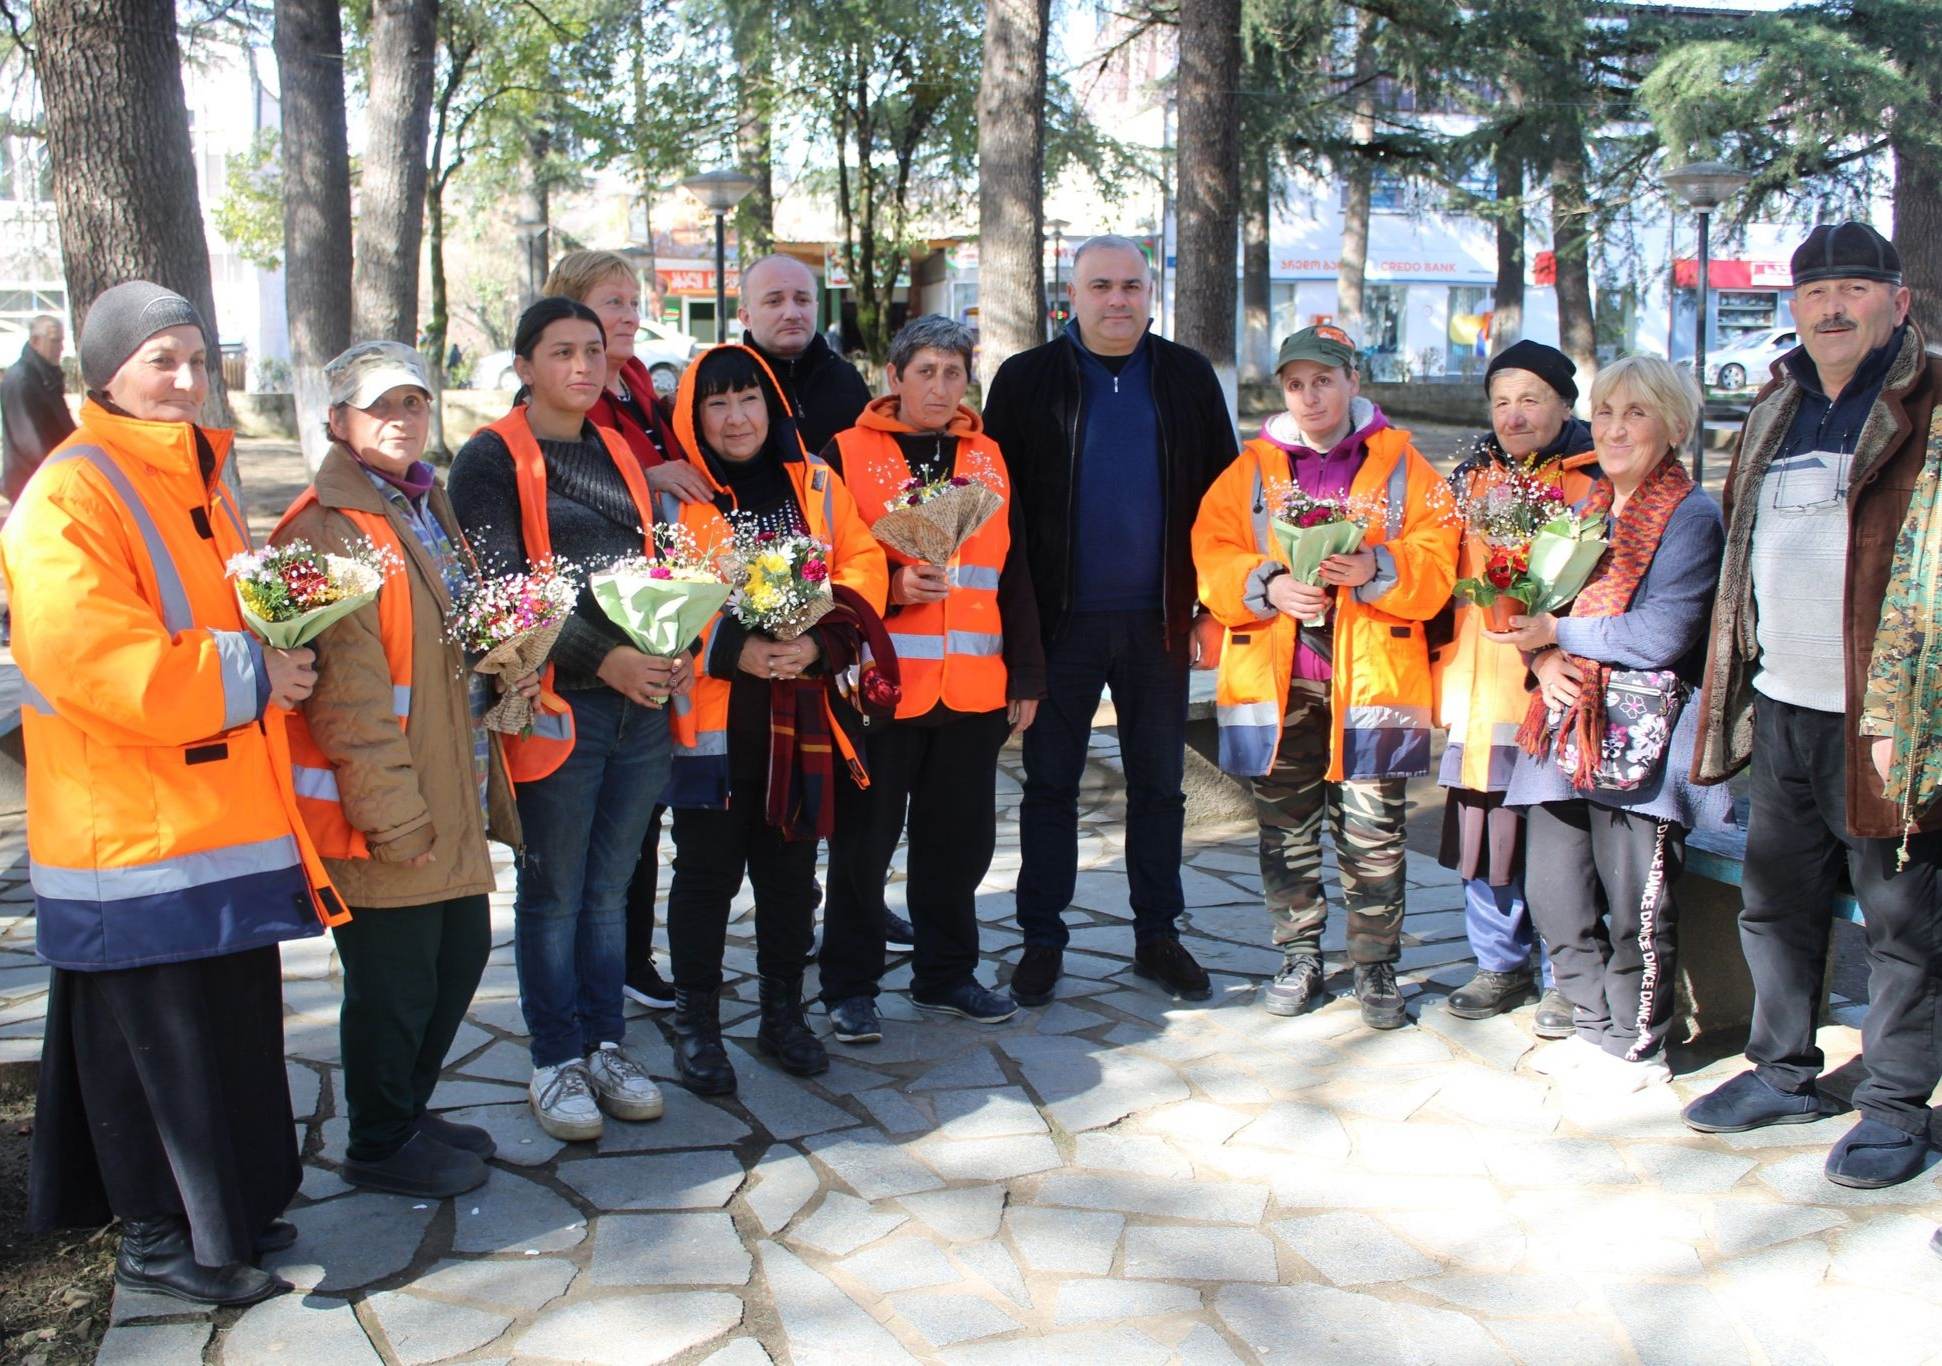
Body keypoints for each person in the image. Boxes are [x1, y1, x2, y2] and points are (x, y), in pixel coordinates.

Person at [4, 281, 340, 1307]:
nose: (188, 379)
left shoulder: (194, 475)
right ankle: (163, 1237)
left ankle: (227, 1215)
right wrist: (253, 671)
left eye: (198, 356)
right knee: (151, 1053)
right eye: (163, 360)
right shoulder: (72, 490)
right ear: (104, 373)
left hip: (208, 823)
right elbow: (96, 661)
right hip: (129, 835)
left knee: (226, 1036)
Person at [1684, 222, 1942, 1189]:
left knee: (1902, 925)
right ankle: (1782, 1071)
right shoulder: (1778, 404)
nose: (1832, 307)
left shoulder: (1931, 400)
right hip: (1785, 701)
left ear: (1898, 300)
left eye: (1855, 289)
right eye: (1814, 292)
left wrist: (1911, 715)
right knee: (1774, 905)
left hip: (1890, 720)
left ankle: (1893, 1107)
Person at [275, 341, 524, 1198]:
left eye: (414, 402)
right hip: (382, 810)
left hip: (451, 784)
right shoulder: (322, 526)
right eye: (379, 405)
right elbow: (344, 699)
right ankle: (379, 1141)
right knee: (393, 986)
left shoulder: (424, 502)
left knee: (453, 965)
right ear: (337, 420)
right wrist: (392, 815)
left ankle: (407, 1107)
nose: (400, 419)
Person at [447, 297, 684, 1143]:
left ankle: (607, 1042)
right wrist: (605, 659)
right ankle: (556, 1057)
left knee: (611, 890)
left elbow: (650, 571)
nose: (583, 367)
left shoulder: (619, 449)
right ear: (524, 367)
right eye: (561, 353)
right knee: (553, 894)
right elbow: (502, 594)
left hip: (640, 708)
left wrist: (671, 641)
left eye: (595, 351)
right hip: (558, 709)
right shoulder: (489, 460)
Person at [982, 234, 1237, 1006]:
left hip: (1160, 623)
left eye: (1131, 285)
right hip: (1062, 625)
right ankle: (1042, 940)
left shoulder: (1186, 377)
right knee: (1049, 788)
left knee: (1159, 788)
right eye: (1101, 285)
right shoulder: (1027, 381)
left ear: (1151, 293)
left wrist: (1212, 609)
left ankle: (1158, 934)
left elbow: (1224, 505)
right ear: (1074, 293)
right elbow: (1000, 510)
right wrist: (1013, 630)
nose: (1117, 299)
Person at [1193, 326, 1458, 1028]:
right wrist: (1268, 584)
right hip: (1278, 685)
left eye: (1324, 380)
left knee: (1374, 833)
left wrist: (1379, 567)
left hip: (1374, 682)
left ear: (1352, 381)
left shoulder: (1404, 467)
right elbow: (1211, 553)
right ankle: (1299, 953)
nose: (1310, 396)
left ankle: (1375, 966)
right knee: (1285, 829)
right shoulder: (1250, 470)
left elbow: (1441, 557)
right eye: (1296, 383)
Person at [1491, 356, 1727, 1088]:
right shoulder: (1583, 510)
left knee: (1635, 910)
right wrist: (1541, 660)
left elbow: (1661, 634)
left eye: (1638, 413)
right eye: (1608, 412)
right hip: (1562, 727)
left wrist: (1556, 638)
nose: (1617, 428)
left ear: (1676, 426)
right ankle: (1592, 1024)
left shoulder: (1692, 516)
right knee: (1556, 898)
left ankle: (1636, 1045)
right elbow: (1536, 613)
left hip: (1642, 743)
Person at [659, 344, 889, 1095]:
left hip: (802, 712)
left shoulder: (818, 483)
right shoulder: (678, 499)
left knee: (791, 877)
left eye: (749, 399)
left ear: (773, 406)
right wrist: (736, 650)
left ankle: (781, 1013)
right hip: (716, 723)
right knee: (705, 877)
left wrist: (819, 645)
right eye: (717, 404)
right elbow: (658, 592)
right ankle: (696, 1026)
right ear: (694, 418)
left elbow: (861, 567)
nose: (736, 417)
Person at [816, 316, 1045, 1040]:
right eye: (926, 372)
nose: (941, 387)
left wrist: (1028, 676)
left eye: (954, 373)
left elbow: (1015, 574)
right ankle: (848, 985)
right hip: (879, 691)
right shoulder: (845, 454)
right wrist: (890, 586)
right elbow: (816, 568)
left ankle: (945, 975)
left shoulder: (991, 457)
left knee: (959, 845)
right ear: (894, 377)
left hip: (974, 690)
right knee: (864, 844)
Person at [543, 250, 715, 1014]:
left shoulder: (640, 383)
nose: (629, 314)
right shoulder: (577, 398)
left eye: (632, 300)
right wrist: (647, 480)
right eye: (612, 302)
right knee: (606, 837)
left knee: (643, 816)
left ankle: (627, 958)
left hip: (661, 624)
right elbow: (563, 476)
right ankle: (609, 975)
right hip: (593, 645)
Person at [736, 253, 907, 953]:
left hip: (839, 613)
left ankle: (857, 903)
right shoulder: (728, 379)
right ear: (745, 311)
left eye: (802, 298)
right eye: (773, 299)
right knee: (774, 785)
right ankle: (792, 904)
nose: (791, 312)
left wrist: (854, 603)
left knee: (854, 780)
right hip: (749, 612)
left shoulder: (841, 383)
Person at [1433, 340, 1600, 1032]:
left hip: (1564, 688)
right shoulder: (1471, 479)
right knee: (1487, 829)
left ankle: (1567, 975)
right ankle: (1499, 963)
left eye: (1531, 398)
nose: (1514, 414)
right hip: (1484, 692)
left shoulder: (1596, 478)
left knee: (1564, 835)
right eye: (1501, 401)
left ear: (1565, 403)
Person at [2, 314, 74, 503]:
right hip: (32, 484)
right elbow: (29, 443)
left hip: (48, 479)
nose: (61, 347)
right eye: (55, 341)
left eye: (61, 340)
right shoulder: (22, 379)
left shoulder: (43, 375)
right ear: (35, 341)